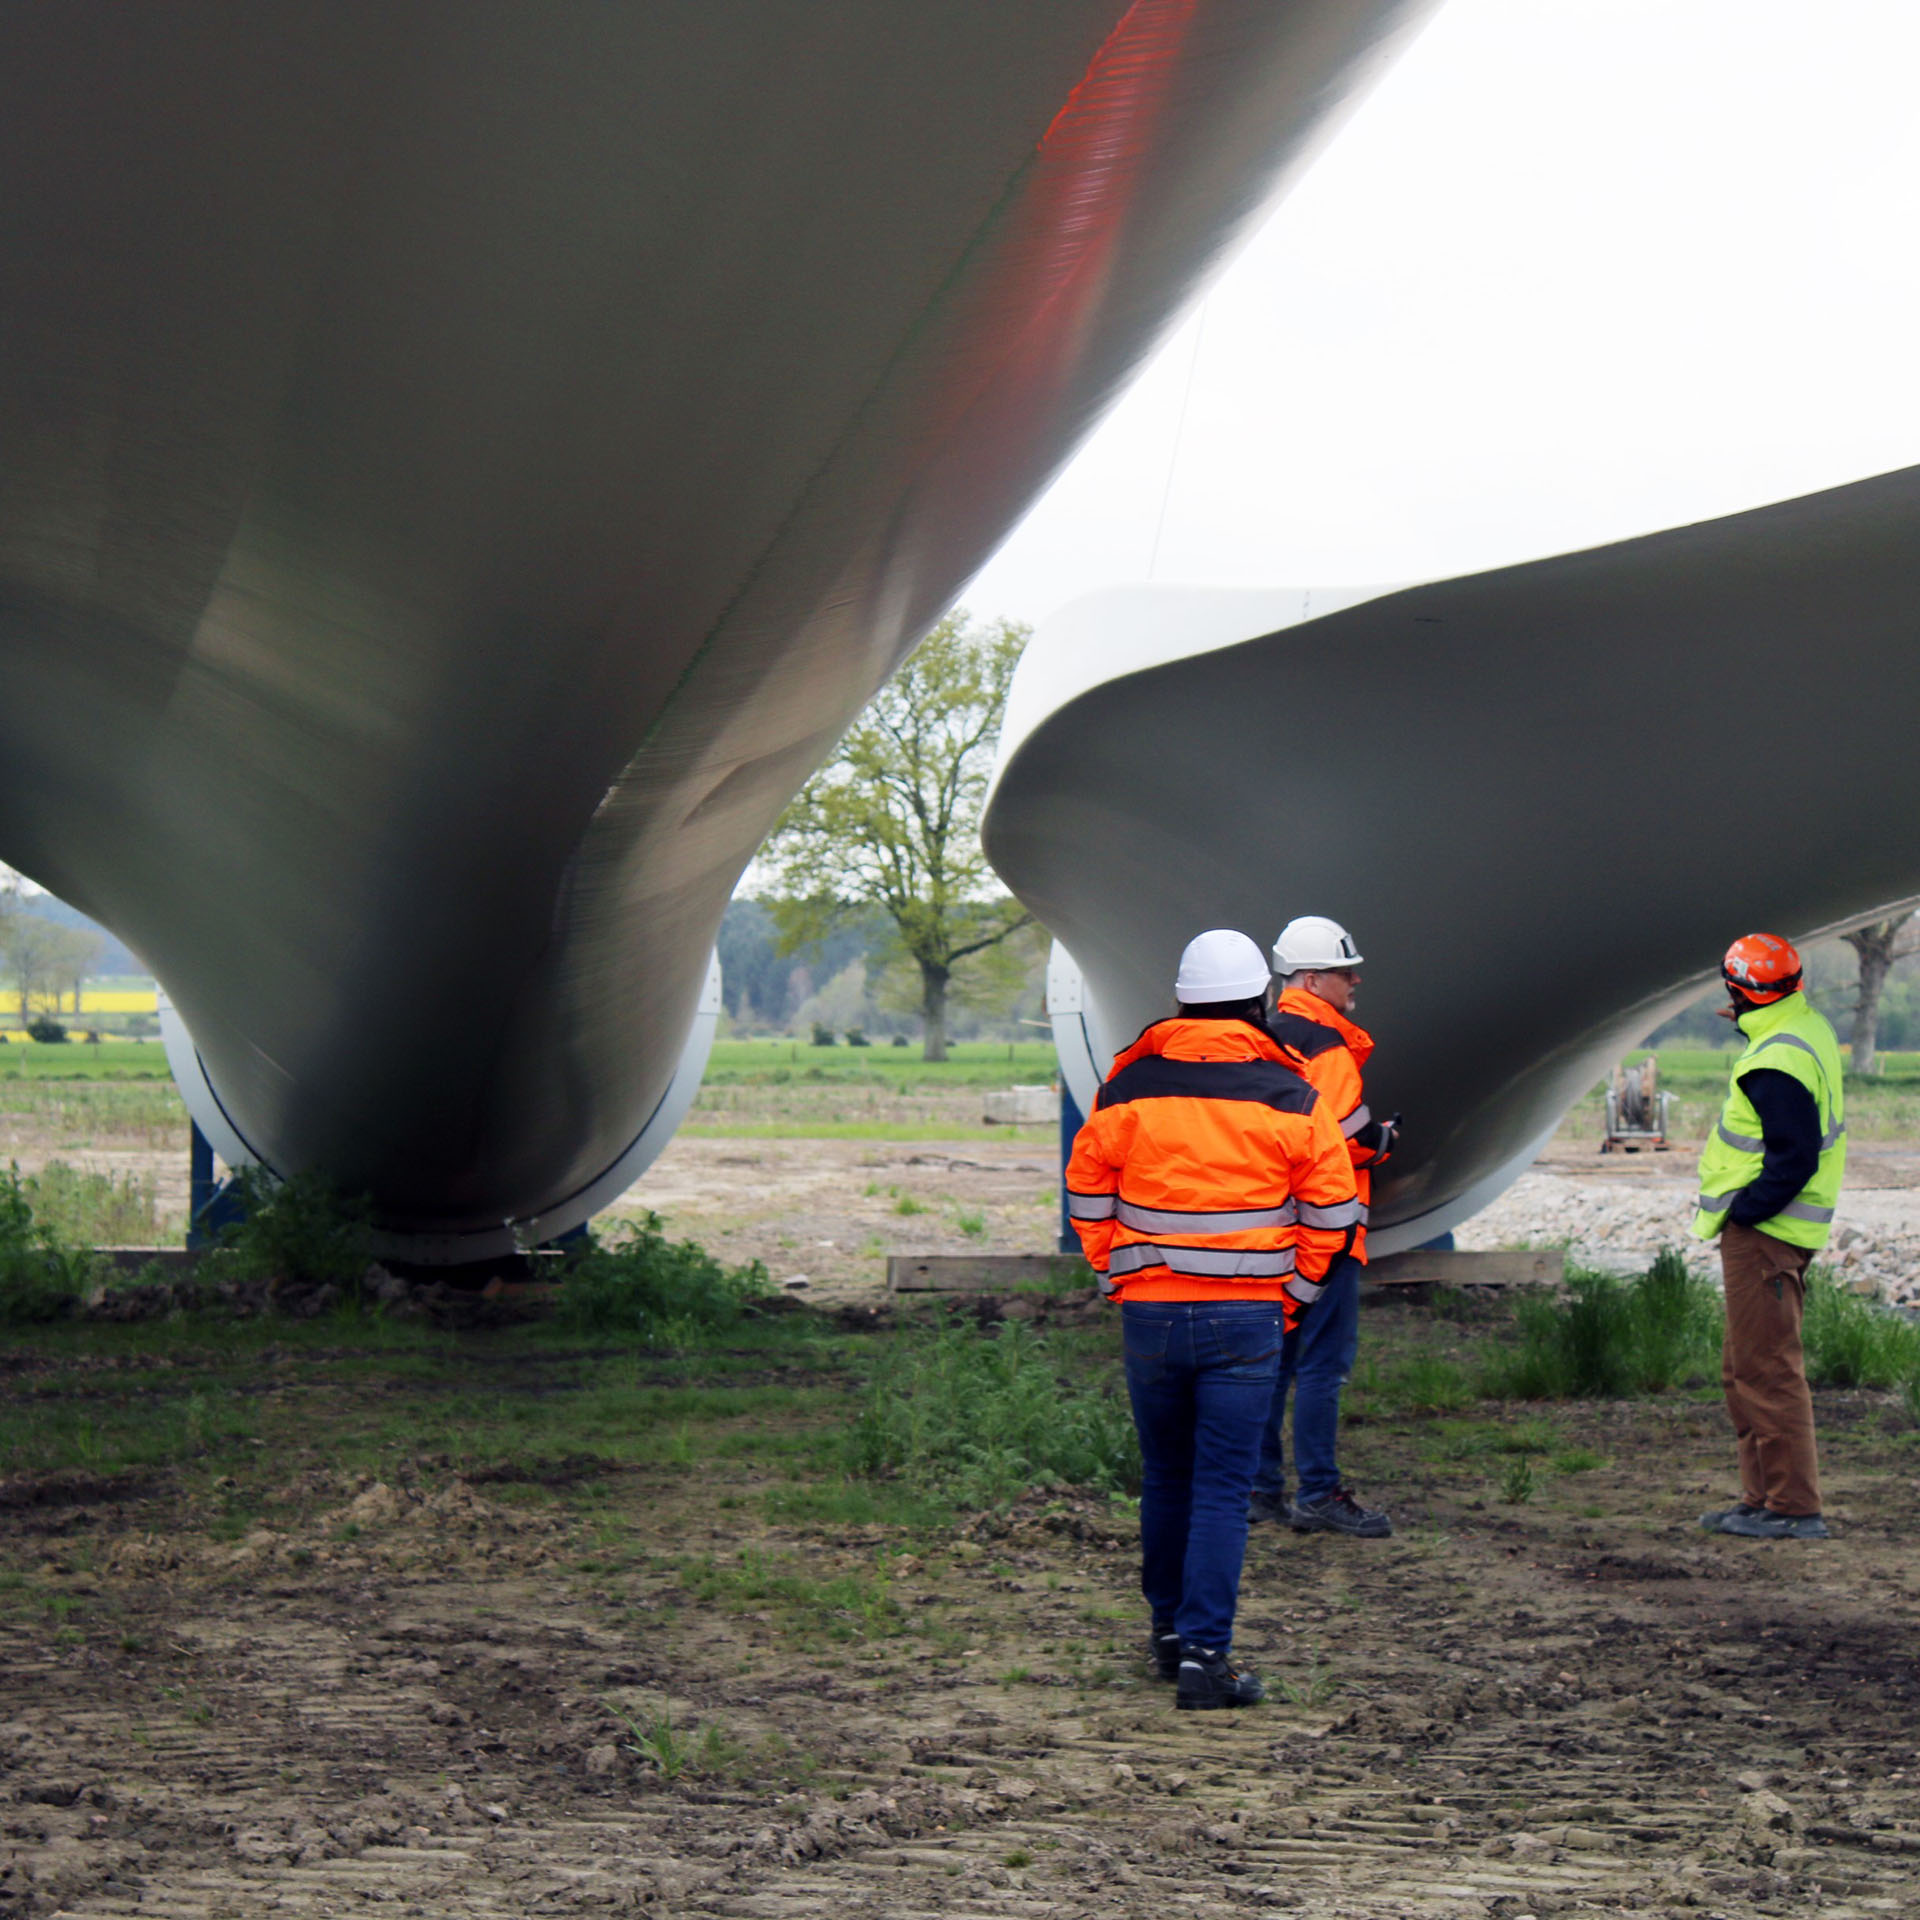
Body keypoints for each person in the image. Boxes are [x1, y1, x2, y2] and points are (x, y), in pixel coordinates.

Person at [1065, 929, 1360, 1709]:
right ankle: (1205, 1654)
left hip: (1151, 1318)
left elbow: (1087, 1192)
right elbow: (1334, 1209)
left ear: (1180, 1003)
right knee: (1224, 1489)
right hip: (1247, 1322)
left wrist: (1114, 1273)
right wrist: (1293, 1291)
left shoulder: (1128, 1088)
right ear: (1261, 1000)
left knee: (1165, 1476)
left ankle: (1166, 1635)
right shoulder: (1291, 1092)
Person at [1693, 932, 1845, 1541]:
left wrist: (1748, 1213)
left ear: (1737, 989)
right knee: (1744, 1369)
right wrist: (1753, 1015)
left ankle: (1792, 1507)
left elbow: (1794, 1155)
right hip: (1774, 1234)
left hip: (1767, 1235)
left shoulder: (1771, 1062)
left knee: (1769, 1371)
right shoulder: (1802, 1027)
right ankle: (1763, 1498)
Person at [1251, 916, 1399, 1537]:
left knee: (1271, 1364)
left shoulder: (1258, 1037)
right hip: (1326, 1230)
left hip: (1268, 1228)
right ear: (1311, 979)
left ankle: (1259, 1491)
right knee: (1321, 1367)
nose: (1354, 978)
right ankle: (1318, 1492)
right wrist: (1385, 1140)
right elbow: (1347, 1140)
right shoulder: (1326, 1045)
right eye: (1344, 971)